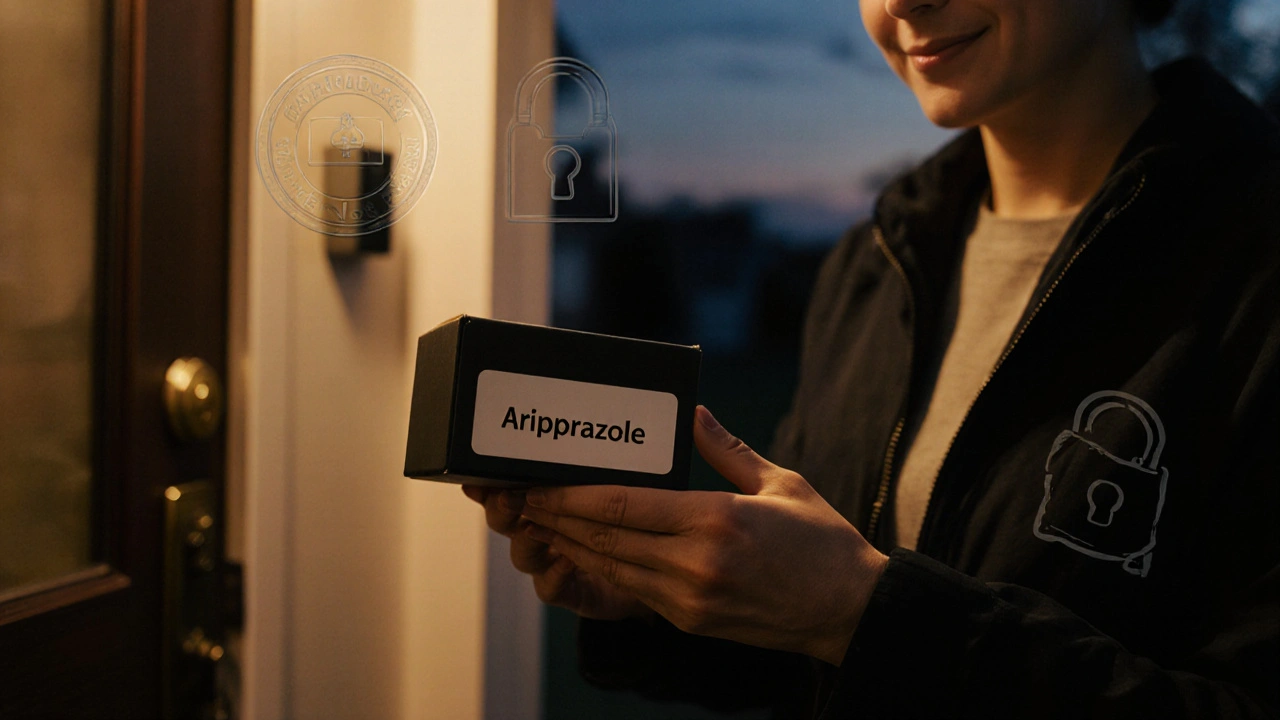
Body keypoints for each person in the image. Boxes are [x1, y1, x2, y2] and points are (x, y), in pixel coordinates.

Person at [465, 0, 1280, 716]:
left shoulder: (1251, 260)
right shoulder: (878, 261)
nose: (902, 3)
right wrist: (659, 598)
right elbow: (822, 662)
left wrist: (863, 613)